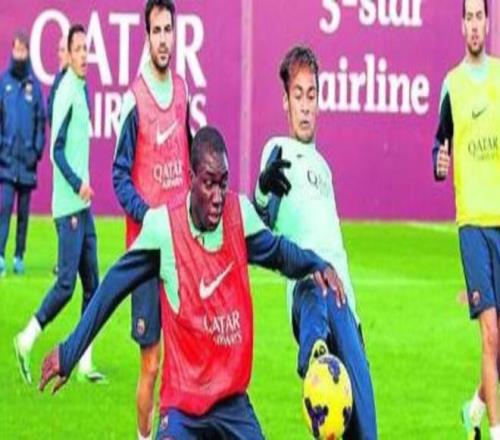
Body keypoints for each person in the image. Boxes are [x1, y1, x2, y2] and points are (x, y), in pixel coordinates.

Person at [39, 126, 345, 440]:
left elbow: (279, 252)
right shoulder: (163, 229)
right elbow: (112, 288)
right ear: (191, 178)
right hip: (182, 412)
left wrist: (316, 263)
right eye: (209, 183)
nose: (217, 197)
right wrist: (70, 350)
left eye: (223, 183)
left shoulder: (239, 215)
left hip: (233, 407)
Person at [253, 46, 377, 439]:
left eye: (312, 95)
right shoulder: (278, 150)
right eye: (298, 95)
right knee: (315, 281)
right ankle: (315, 357)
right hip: (309, 295)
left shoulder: (324, 167)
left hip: (345, 306)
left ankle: (326, 355)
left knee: (366, 431)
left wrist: (356, 322)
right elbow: (261, 223)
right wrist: (262, 190)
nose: (305, 106)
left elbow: (334, 247)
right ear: (285, 101)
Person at [112, 1, 192, 438]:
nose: (163, 39)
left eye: (168, 30)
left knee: (184, 361)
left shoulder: (182, 92)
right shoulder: (134, 99)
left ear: (176, 34)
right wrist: (150, 218)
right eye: (156, 31)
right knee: (152, 362)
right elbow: (118, 176)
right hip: (146, 252)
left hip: (181, 253)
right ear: (146, 37)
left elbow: (190, 159)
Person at [14, 24, 105, 385]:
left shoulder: (79, 87)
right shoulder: (67, 90)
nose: (84, 55)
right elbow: (56, 151)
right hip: (69, 207)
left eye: (86, 48)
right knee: (67, 285)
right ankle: (26, 339)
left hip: (82, 208)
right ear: (68, 54)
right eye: (78, 49)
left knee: (93, 284)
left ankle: (85, 363)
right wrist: (78, 183)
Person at [433, 1, 500, 438]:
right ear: (462, 25)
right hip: (473, 223)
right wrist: (439, 163)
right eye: (468, 17)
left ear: (487, 23)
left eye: (480, 16)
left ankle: (474, 407)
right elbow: (439, 144)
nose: (474, 24)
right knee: (490, 334)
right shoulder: (452, 86)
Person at [0, 30, 45, 276]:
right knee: (4, 208)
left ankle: (19, 256)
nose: (19, 54)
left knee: (24, 215)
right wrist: (3, 148)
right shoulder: (3, 83)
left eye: (23, 50)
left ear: (28, 52)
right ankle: (0, 255)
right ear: (12, 51)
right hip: (7, 163)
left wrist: (35, 151)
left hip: (27, 164)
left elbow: (41, 121)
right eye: (16, 49)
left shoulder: (33, 86)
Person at [47, 34, 69, 126]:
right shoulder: (58, 79)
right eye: (59, 50)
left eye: (63, 50)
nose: (59, 55)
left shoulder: (79, 81)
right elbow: (50, 110)